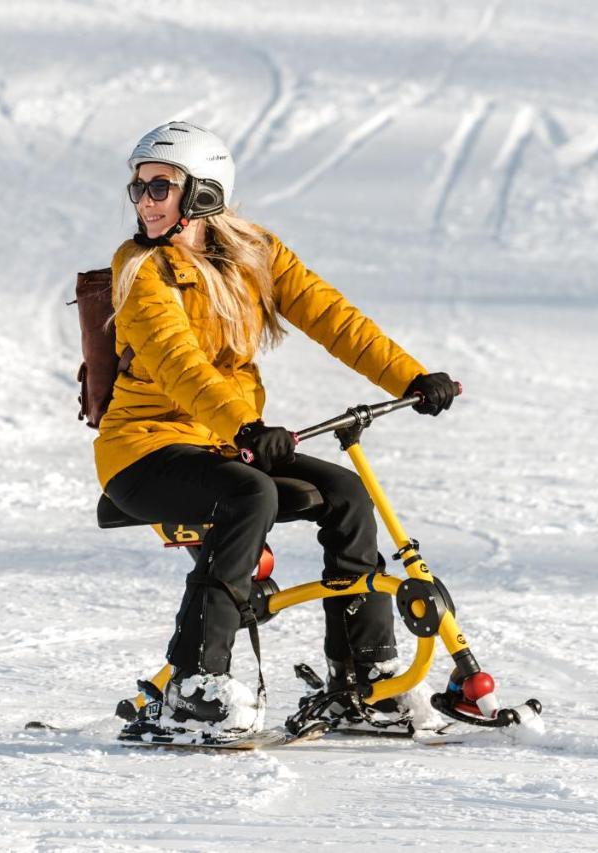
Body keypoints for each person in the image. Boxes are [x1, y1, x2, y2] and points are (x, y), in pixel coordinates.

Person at [96, 121, 457, 736]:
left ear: (204, 193)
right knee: (250, 492)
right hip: (145, 450)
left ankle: (362, 678)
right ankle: (195, 684)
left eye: (160, 186)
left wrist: (410, 378)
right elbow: (178, 365)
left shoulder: (256, 253)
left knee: (345, 494)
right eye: (138, 188)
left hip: (225, 442)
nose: (145, 201)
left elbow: (333, 318)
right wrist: (246, 423)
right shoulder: (140, 269)